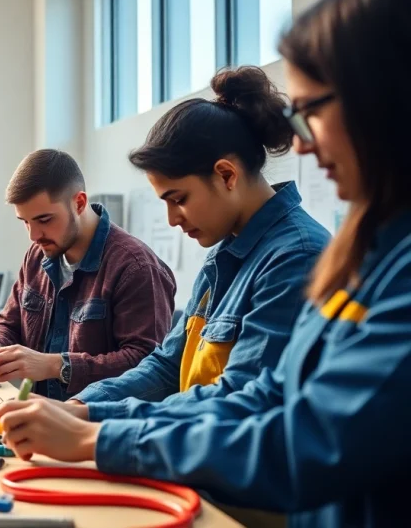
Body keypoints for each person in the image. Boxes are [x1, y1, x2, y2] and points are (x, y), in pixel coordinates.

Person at [0, 0, 411, 528]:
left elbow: (304, 438)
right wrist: (87, 412)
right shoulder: (333, 253)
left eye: (311, 115)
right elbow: (244, 388)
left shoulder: (305, 258)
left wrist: (102, 437)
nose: (305, 147)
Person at [62, 67, 330, 422]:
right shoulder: (222, 255)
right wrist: (78, 406)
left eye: (179, 199)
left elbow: (239, 400)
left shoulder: (297, 257)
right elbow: (166, 367)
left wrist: (92, 419)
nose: (172, 219)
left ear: (226, 175)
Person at [0, 149, 176, 400]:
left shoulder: (136, 267)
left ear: (79, 203)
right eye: (25, 222)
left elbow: (148, 367)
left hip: (102, 430)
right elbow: (10, 323)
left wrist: (57, 366)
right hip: (42, 419)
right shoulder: (36, 255)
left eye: (44, 219)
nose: (33, 235)